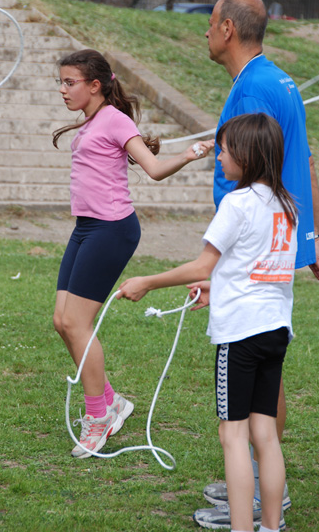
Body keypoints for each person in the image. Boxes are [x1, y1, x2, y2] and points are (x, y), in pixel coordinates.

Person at [118, 112, 297, 532]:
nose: (219, 156)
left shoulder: (236, 203)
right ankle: (271, 527)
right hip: (275, 331)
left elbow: (203, 263)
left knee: (232, 436)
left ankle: (240, 527)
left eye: (226, 149)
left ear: (248, 156)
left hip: (241, 335)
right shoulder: (287, 205)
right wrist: (218, 289)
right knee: (265, 435)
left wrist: (147, 281)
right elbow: (266, 270)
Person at [194, 0, 319, 529]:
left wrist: (213, 261)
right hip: (279, 242)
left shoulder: (254, 92)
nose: (203, 34)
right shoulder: (277, 78)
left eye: (208, 25)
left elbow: (250, 177)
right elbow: (305, 161)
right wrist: (311, 238)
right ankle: (264, 488)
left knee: (249, 396)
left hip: (249, 250)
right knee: (268, 368)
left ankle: (254, 496)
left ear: (226, 28)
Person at [52, 48, 214, 459]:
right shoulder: (94, 121)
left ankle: (98, 418)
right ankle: (112, 402)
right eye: (61, 81)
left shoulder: (116, 120)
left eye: (70, 82)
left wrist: (192, 153)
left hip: (112, 229)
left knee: (77, 322)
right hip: (86, 227)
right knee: (62, 321)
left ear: (95, 85)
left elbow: (154, 169)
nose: (63, 89)